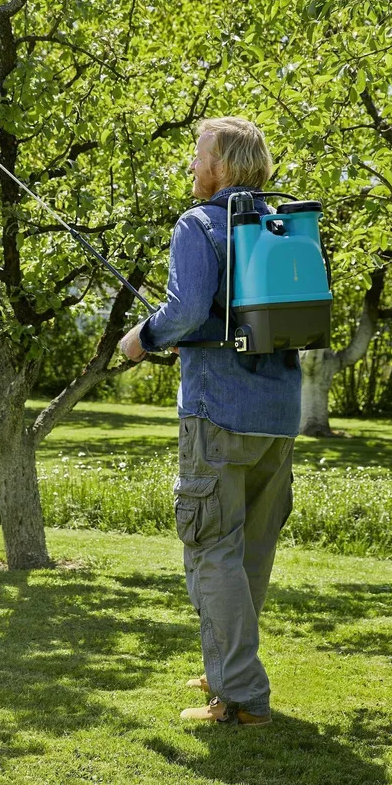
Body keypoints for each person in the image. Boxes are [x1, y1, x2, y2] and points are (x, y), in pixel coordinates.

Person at [120, 116, 300, 727]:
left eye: (198, 156)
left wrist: (143, 338)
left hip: (216, 411)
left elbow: (189, 308)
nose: (192, 168)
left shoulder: (198, 225)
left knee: (210, 548)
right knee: (250, 549)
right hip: (277, 416)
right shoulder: (281, 227)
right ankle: (227, 668)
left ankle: (242, 697)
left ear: (221, 166)